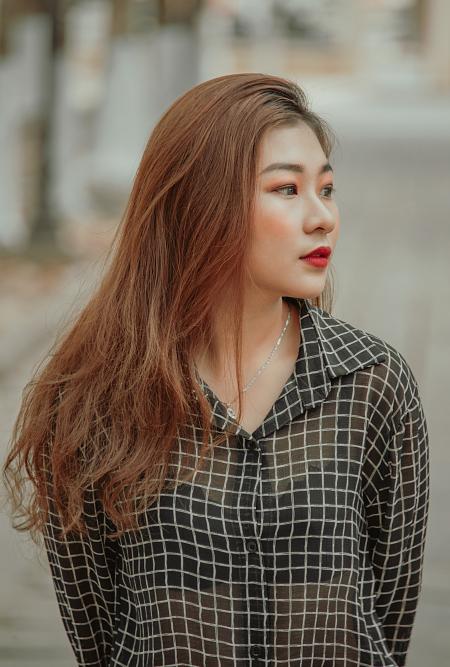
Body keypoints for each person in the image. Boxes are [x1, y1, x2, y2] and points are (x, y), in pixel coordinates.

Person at [3, 73, 430, 667]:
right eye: (287, 189)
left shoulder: (372, 384)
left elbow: (386, 623)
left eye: (326, 190)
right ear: (202, 202)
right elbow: (100, 635)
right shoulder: (95, 398)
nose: (322, 217)